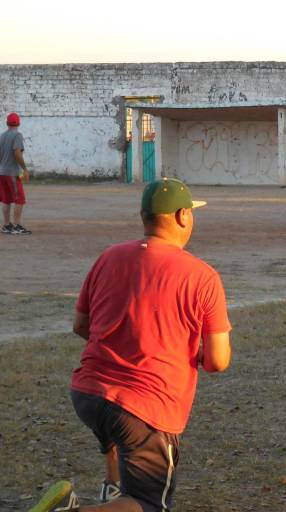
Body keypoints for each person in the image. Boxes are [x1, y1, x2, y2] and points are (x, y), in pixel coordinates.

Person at [29, 177, 232, 512]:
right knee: (147, 503)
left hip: (88, 392)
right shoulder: (202, 276)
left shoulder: (109, 257)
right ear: (183, 217)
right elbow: (219, 360)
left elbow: (81, 325)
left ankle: (112, 489)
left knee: (117, 429)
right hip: (143, 408)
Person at [0, 112, 31, 235]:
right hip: (12, 173)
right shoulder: (17, 135)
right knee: (20, 199)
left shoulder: (1, 136)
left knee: (6, 200)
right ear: (18, 123)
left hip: (1, 172)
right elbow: (17, 153)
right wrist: (24, 168)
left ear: (7, 123)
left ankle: (7, 225)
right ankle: (17, 226)